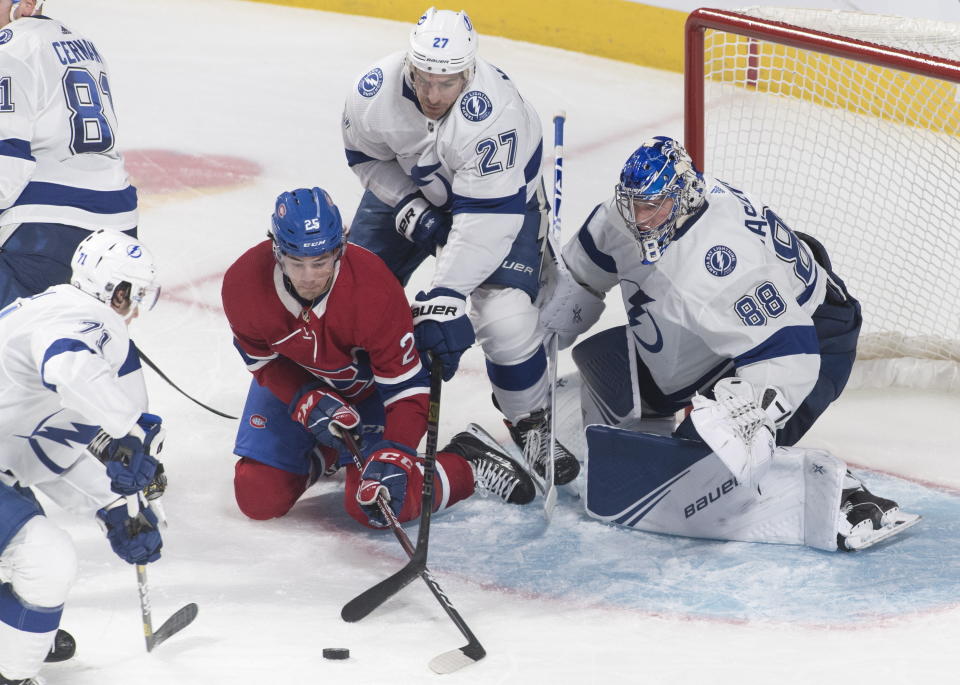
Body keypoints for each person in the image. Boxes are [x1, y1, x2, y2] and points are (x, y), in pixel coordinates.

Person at [541, 136, 915, 550]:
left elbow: (790, 354)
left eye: (651, 207)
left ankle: (845, 498)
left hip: (812, 337)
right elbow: (582, 271)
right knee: (619, 360)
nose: (639, 219)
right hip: (734, 328)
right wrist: (553, 308)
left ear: (682, 198)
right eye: (632, 204)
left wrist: (750, 417)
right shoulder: (627, 216)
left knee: (710, 460)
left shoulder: (718, 262)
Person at [341, 7, 580, 489]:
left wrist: (445, 297)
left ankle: (528, 420)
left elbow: (485, 222)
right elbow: (364, 157)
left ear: (467, 72)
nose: (432, 94)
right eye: (424, 79)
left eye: (446, 83)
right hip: (411, 188)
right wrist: (407, 204)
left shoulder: (497, 113)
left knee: (506, 319)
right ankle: (352, 409)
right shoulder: (374, 90)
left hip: (500, 207)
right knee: (352, 296)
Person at [220, 187, 534, 530]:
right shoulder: (244, 283)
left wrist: (396, 451)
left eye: (320, 262)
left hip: (371, 396)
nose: (309, 277)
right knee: (258, 497)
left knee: (381, 506)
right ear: (277, 251)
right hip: (299, 383)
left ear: (339, 248)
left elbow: (408, 389)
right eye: (297, 263)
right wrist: (303, 397)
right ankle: (330, 449)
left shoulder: (373, 289)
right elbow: (263, 362)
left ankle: (467, 462)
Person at [0, 230, 165, 685]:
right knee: (44, 559)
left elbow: (43, 448)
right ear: (119, 293)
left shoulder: (55, 307)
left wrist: (113, 505)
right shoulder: (80, 321)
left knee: (27, 551)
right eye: (137, 296)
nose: (136, 311)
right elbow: (66, 363)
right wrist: (127, 429)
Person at [0, 0, 139, 308]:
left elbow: (5, 168)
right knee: (90, 341)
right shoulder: (81, 43)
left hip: (43, 233)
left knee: (20, 346)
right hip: (118, 229)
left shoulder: (7, 51)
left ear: (23, 4)